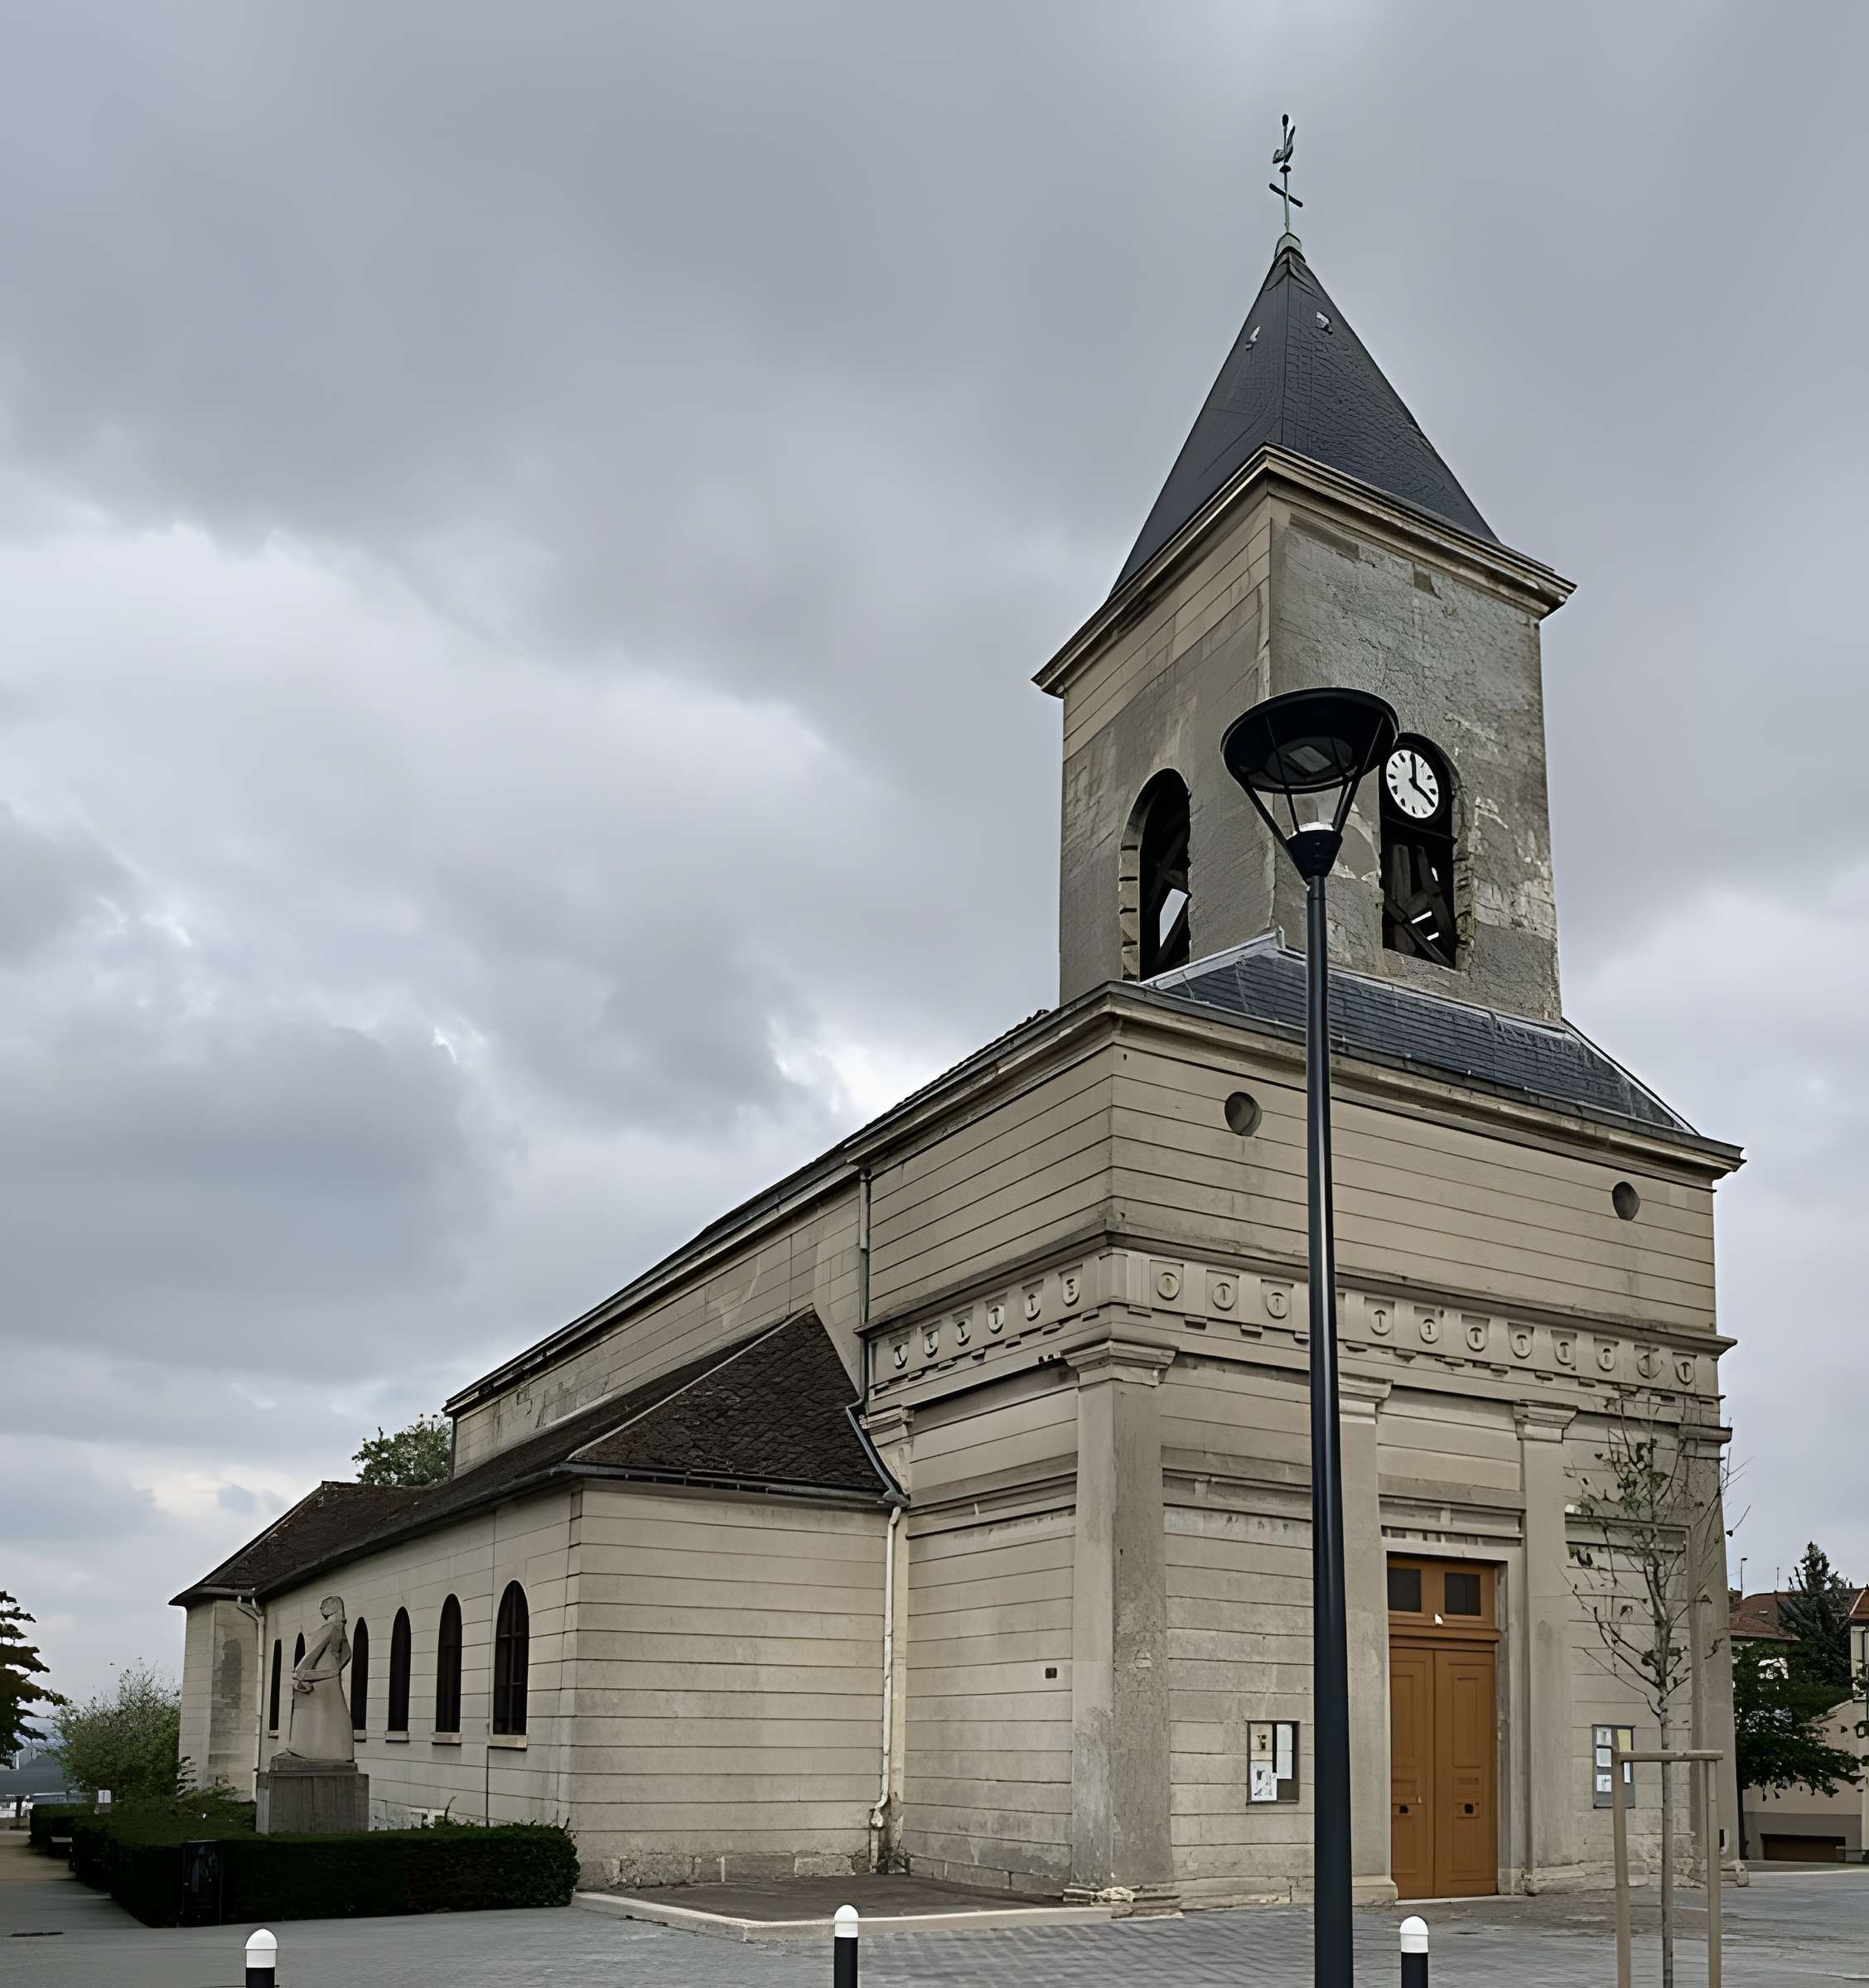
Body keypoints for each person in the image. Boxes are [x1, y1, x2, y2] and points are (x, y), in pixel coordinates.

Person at [278, 1595, 354, 1764]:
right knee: (333, 1712)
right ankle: (339, 1751)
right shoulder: (339, 1627)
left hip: (320, 1676)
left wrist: (300, 1670)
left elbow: (314, 1651)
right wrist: (336, 1668)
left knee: (316, 1712)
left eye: (325, 1604)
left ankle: (306, 1748)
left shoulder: (330, 1628)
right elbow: (347, 1653)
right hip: (330, 1675)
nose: (322, 1608)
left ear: (334, 1607)